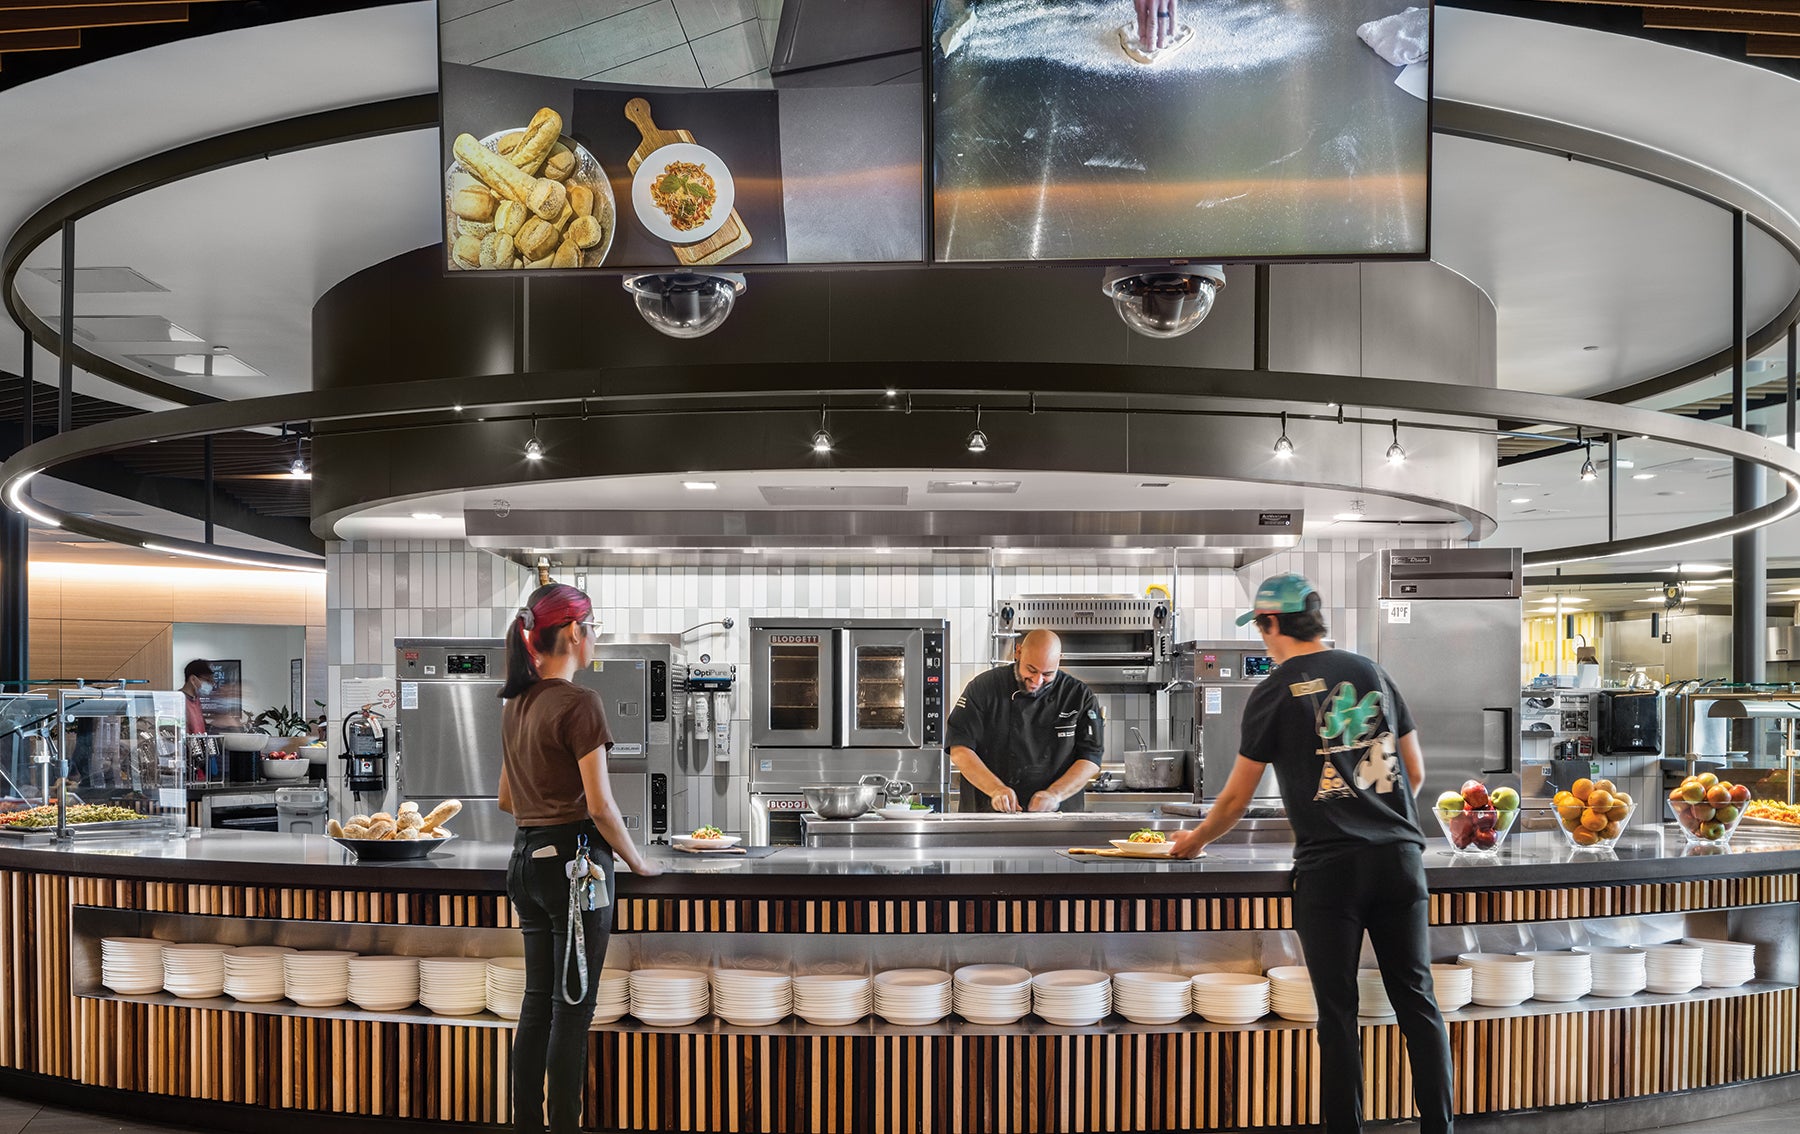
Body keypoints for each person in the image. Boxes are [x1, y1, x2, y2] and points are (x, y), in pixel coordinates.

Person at [1169, 574, 1453, 1134]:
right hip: (1400, 860)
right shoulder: (1372, 672)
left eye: (1261, 629)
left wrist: (1191, 843)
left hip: (1331, 872)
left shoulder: (1273, 691)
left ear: (1274, 624)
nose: (1263, 641)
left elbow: (1233, 799)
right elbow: (1414, 773)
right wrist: (1379, 818)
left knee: (1339, 1015)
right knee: (1418, 1002)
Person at [495, 583, 661, 1134]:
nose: (597, 638)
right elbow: (602, 806)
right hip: (574, 867)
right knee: (573, 1008)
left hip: (524, 862)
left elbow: (505, 799)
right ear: (574, 633)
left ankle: (527, 1127)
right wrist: (640, 863)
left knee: (537, 1001)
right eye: (594, 628)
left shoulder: (518, 702)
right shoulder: (579, 703)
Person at [946, 629, 1103, 812]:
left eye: (1047, 674)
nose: (1037, 681)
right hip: (987, 817)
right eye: (1031, 670)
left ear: (1059, 660)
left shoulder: (1079, 696)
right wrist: (995, 789)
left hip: (1056, 821)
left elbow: (1091, 758)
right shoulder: (983, 688)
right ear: (1018, 652)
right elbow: (959, 749)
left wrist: (1055, 794)